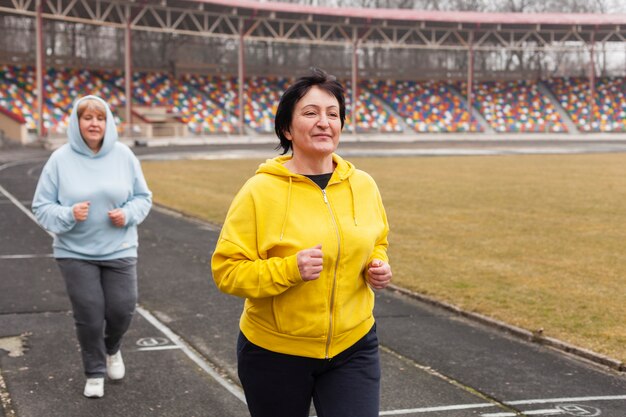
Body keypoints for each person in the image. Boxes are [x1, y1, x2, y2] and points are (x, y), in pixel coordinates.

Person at [211, 68, 392, 417]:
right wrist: (289, 269)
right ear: (287, 129)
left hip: (354, 345)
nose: (324, 122)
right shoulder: (259, 191)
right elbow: (227, 272)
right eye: (311, 113)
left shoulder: (364, 185)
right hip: (275, 354)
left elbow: (378, 240)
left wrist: (378, 266)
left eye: (333, 114)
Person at [32, 95, 152, 398]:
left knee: (122, 309)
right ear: (77, 123)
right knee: (89, 312)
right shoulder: (60, 159)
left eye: (100, 117)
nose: (94, 123)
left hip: (120, 247)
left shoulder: (124, 155)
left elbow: (143, 197)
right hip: (75, 252)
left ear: (108, 122)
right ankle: (95, 371)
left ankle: (112, 348)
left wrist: (127, 215)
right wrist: (68, 214)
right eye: (87, 118)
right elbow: (41, 206)